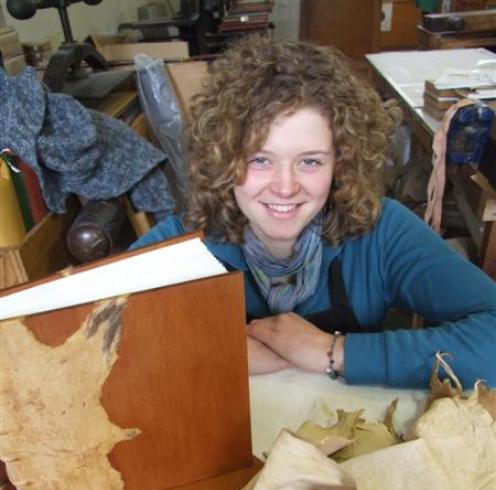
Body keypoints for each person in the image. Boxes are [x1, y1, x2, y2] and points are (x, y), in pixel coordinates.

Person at [131, 36, 496, 389]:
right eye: (260, 160)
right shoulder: (185, 244)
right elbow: (82, 331)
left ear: (342, 161)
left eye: (309, 161)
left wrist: (336, 352)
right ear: (223, 159)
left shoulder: (381, 230)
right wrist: (212, 349)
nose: (285, 187)